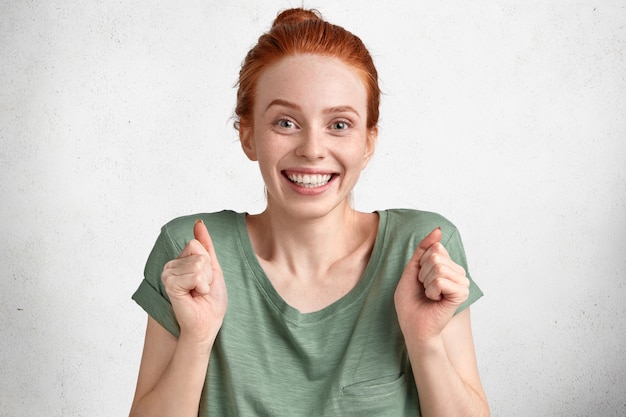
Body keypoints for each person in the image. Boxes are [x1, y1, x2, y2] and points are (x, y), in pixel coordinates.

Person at [129, 8, 489, 417]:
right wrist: (196, 339)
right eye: (285, 122)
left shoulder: (422, 250)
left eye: (339, 125)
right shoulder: (192, 252)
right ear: (247, 135)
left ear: (369, 141)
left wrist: (425, 341)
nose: (312, 148)